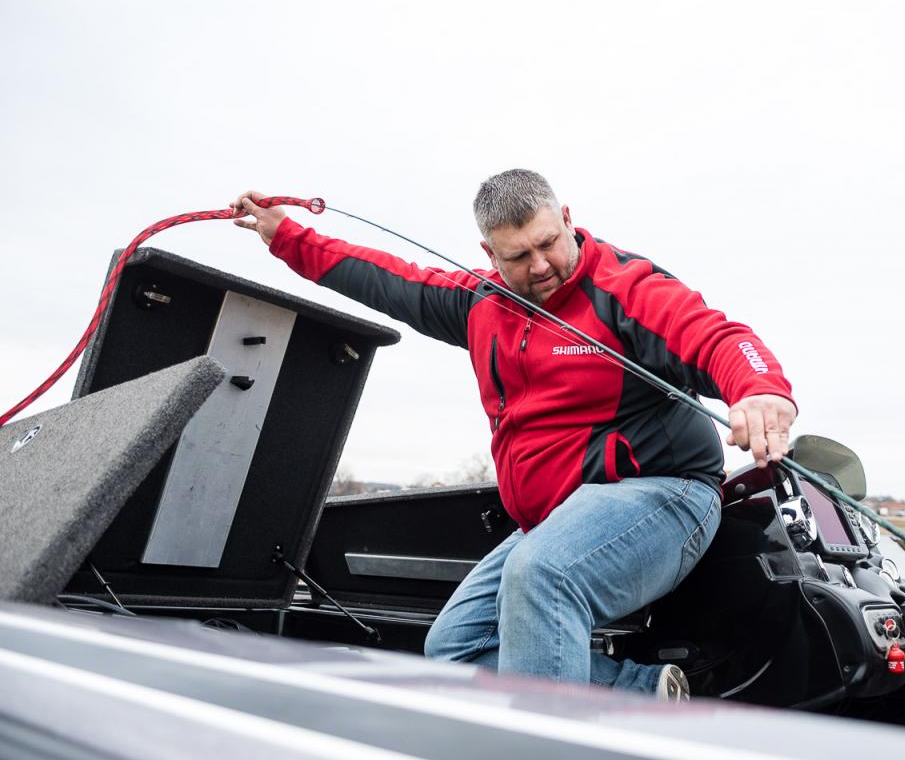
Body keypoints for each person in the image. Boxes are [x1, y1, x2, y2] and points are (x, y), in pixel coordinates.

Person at [231, 170, 796, 700]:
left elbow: (717, 337)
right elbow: (384, 277)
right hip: (554, 520)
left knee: (543, 573)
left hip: (666, 496)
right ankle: (644, 696)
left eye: (549, 242)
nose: (542, 265)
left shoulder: (626, 287)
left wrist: (761, 387)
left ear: (567, 218)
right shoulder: (478, 304)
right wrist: (285, 235)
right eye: (519, 256)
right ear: (490, 254)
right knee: (453, 649)